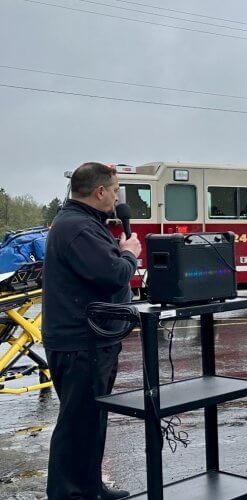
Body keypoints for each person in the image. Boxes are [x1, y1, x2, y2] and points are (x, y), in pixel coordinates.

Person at [42, 162, 141, 499]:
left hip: (91, 340)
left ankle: (90, 488)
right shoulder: (78, 228)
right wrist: (129, 254)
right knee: (76, 423)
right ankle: (68, 493)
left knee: (90, 420)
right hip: (80, 342)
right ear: (99, 191)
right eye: (114, 190)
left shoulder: (81, 223)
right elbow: (112, 274)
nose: (117, 198)